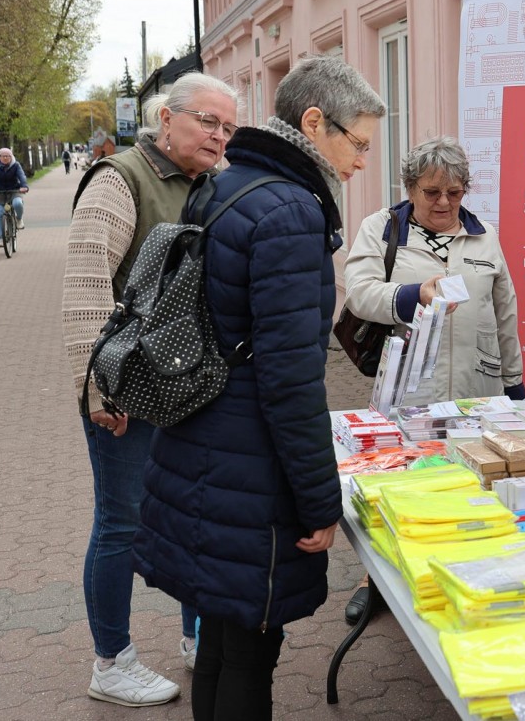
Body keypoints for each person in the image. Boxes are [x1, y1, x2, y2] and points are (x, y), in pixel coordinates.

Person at [132, 56, 385, 721]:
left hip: (203, 439)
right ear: (314, 122)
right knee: (249, 649)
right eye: (358, 143)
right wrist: (319, 501)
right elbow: (291, 381)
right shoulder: (292, 210)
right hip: (251, 467)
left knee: (222, 636)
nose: (362, 161)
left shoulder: (230, 182)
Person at [62, 72, 239, 706]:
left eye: (228, 127)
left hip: (190, 385)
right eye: (207, 122)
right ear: (167, 119)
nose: (218, 136)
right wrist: (97, 392)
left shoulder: (215, 184)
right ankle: (111, 662)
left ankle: (197, 639)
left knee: (193, 512)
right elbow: (86, 289)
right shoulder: (121, 179)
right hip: (126, 388)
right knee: (123, 521)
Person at [344, 135, 525, 407]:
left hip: (477, 393)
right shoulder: (381, 229)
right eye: (432, 192)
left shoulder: (484, 235)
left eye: (454, 193)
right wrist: (414, 296)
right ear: (410, 189)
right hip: (409, 395)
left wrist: (513, 383)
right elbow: (359, 293)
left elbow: (505, 313)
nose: (443, 202)